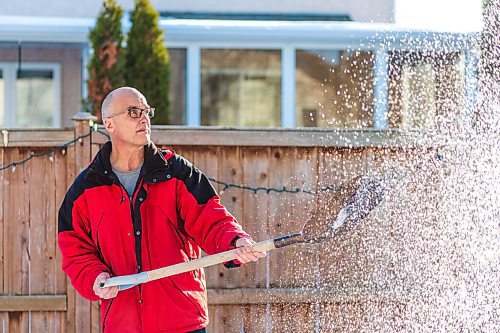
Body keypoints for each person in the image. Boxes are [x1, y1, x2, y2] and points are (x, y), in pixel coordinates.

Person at [58, 87, 266, 332]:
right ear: (109, 124)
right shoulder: (86, 188)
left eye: (146, 112)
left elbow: (211, 220)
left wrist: (234, 242)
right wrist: (96, 277)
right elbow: (75, 249)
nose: (144, 118)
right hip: (122, 324)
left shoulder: (176, 173)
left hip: (181, 321)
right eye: (133, 112)